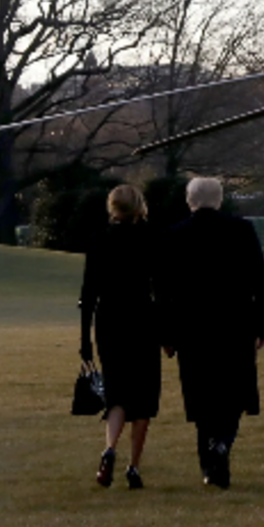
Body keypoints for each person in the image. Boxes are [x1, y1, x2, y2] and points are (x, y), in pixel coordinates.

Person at [156, 177, 264, 490]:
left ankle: (210, 465)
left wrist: (165, 334)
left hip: (192, 328)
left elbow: (163, 291)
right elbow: (259, 281)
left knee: (202, 397)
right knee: (234, 393)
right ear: (220, 199)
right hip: (235, 325)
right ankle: (222, 445)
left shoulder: (173, 236)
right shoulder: (242, 230)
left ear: (189, 200)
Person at [78, 184, 161, 489]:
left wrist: (85, 340)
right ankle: (134, 466)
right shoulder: (149, 238)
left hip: (109, 320)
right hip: (142, 318)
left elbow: (88, 294)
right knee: (144, 396)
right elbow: (160, 288)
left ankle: (110, 447)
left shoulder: (99, 240)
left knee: (117, 392)